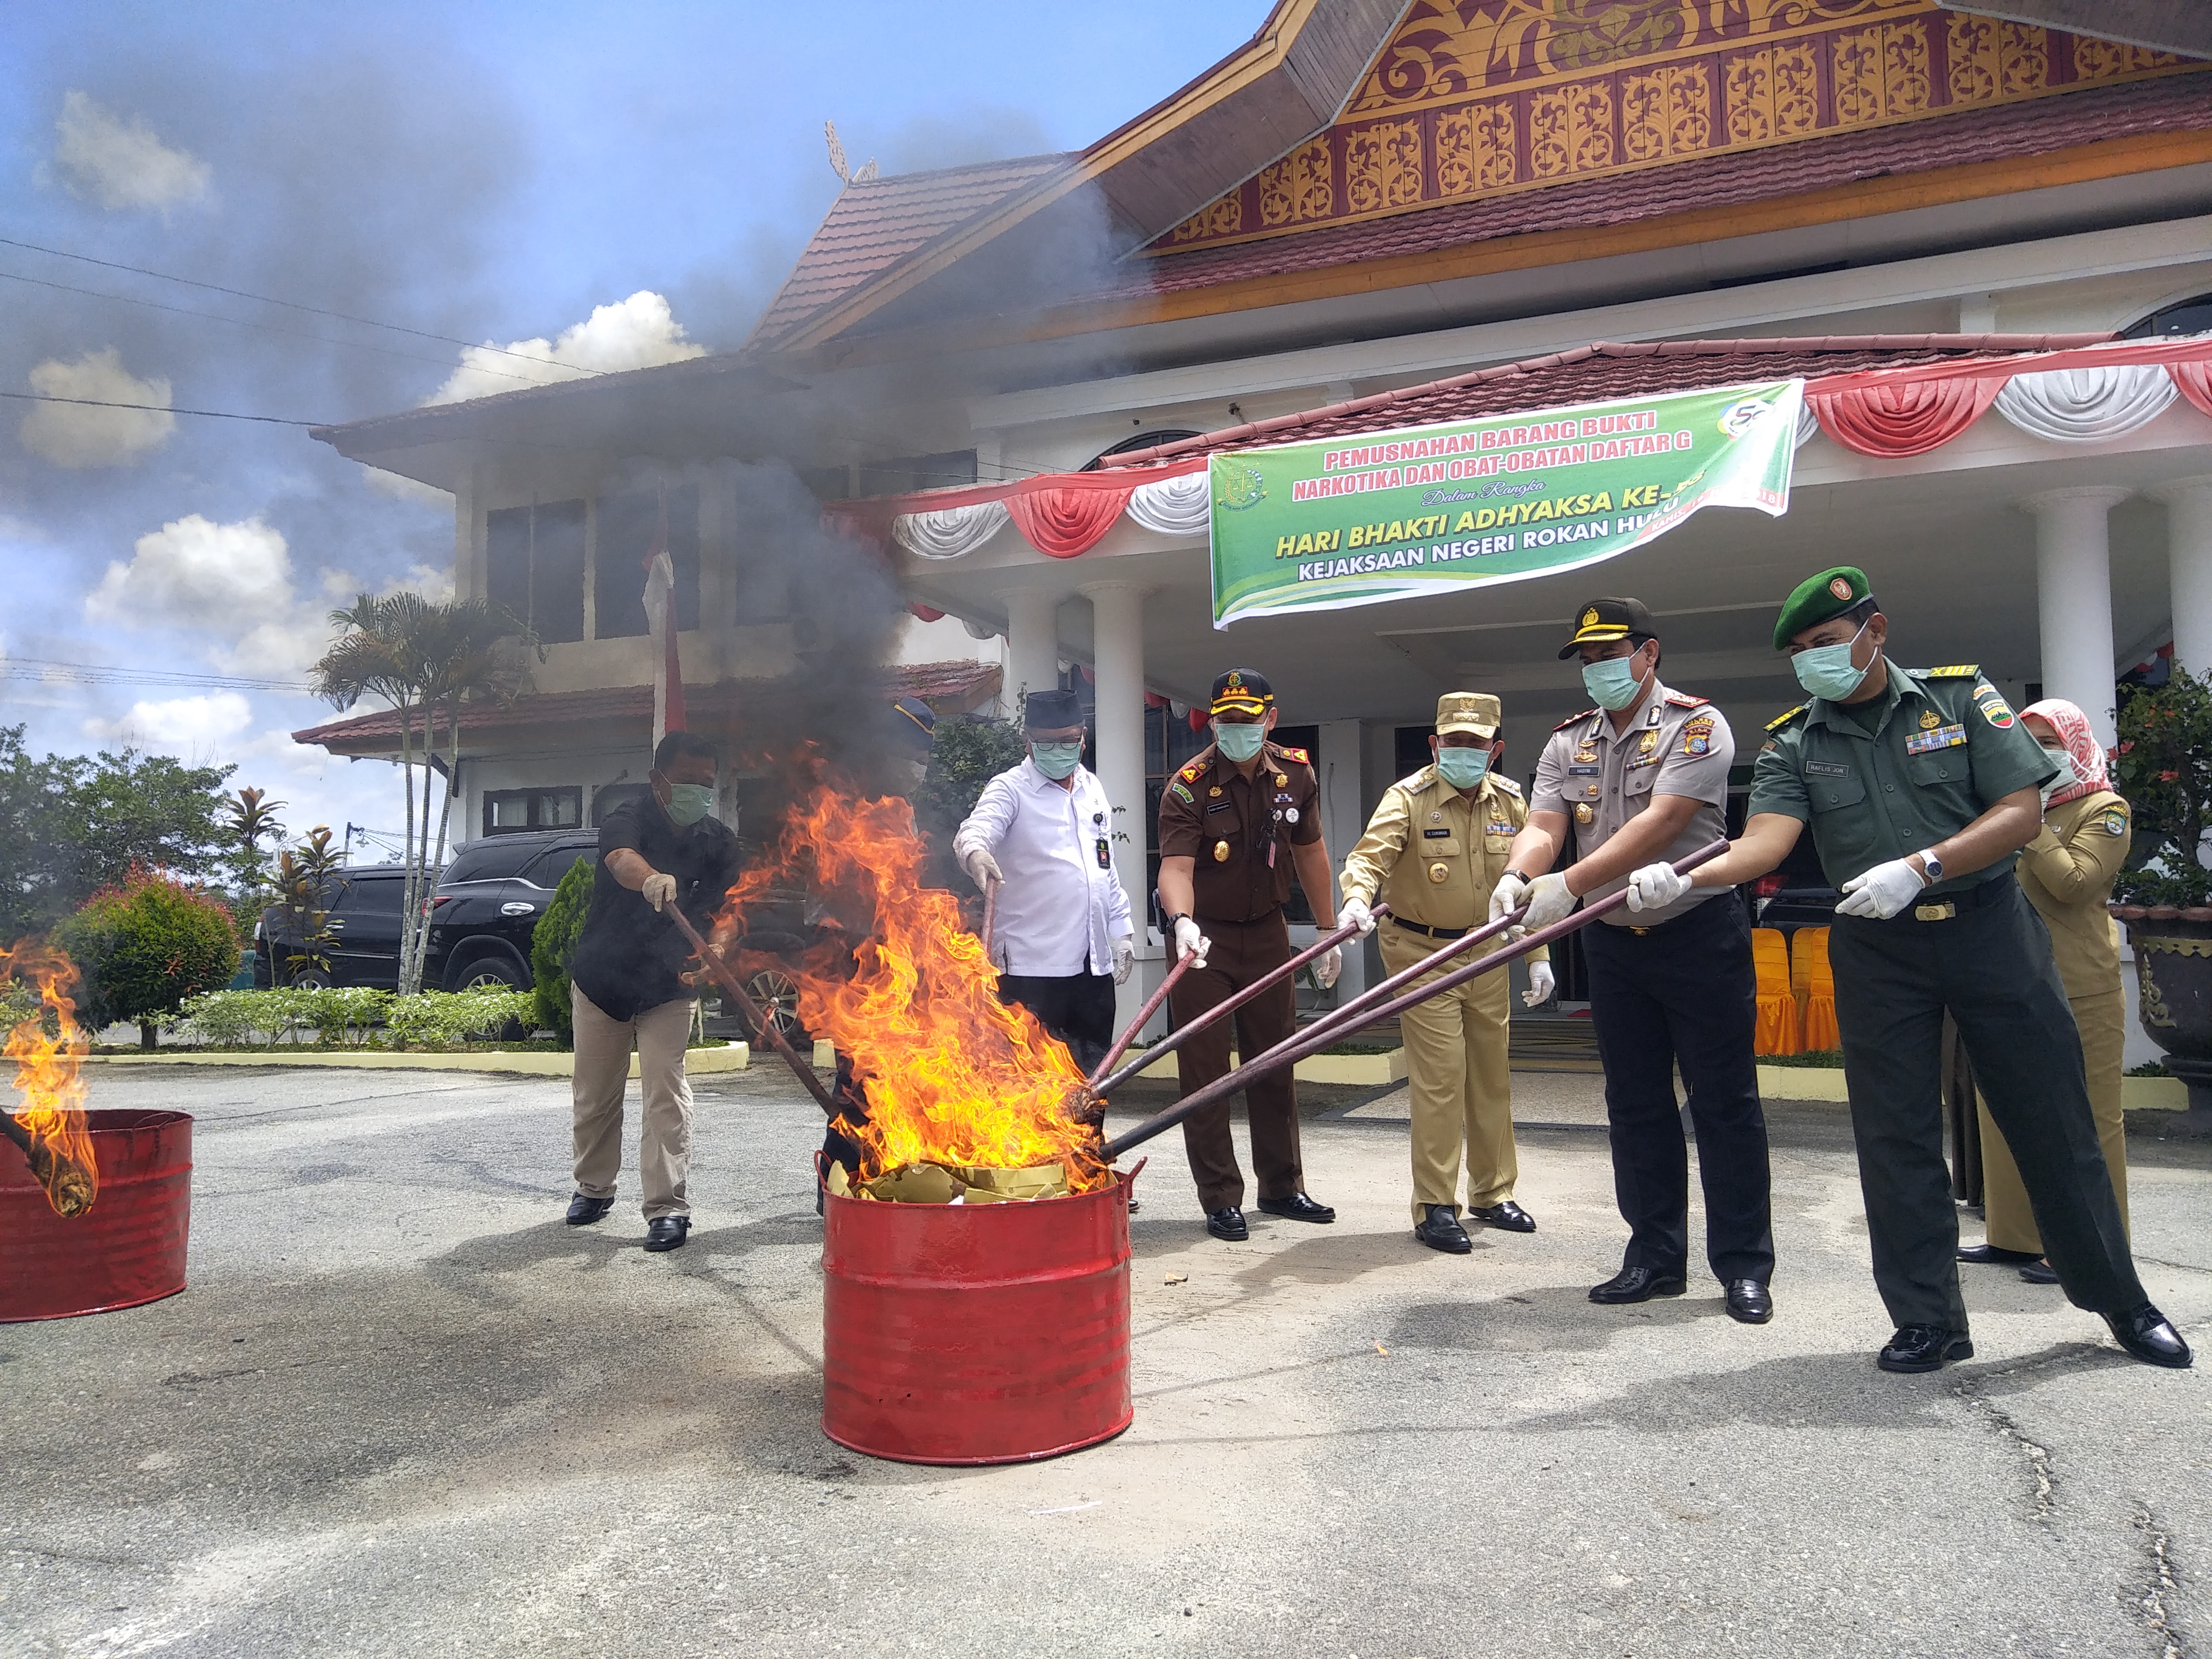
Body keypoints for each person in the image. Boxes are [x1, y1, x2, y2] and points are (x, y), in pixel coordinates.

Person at [1678, 565, 2187, 1371]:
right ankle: (1928, 1320)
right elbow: (1764, 844)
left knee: (2053, 1120)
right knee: (1896, 1138)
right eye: (1801, 652)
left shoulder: (1961, 700)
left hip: (1990, 931)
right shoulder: (1795, 741)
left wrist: (1923, 866)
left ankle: (2122, 1303)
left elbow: (2020, 813)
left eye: (1827, 642)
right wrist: (1684, 878)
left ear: (1874, 633)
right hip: (1879, 950)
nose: (1813, 661)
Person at [1493, 598, 1775, 1323]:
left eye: (1609, 654)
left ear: (1649, 654)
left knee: (1724, 1103)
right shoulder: (1567, 742)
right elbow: (1545, 824)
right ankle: (1653, 1257)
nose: (1596, 670)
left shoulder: (1699, 725)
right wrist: (1521, 876)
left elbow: (1664, 822)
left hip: (1696, 930)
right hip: (1614, 942)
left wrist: (1568, 884)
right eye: (1586, 659)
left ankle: (1743, 1265)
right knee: (1635, 1103)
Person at [1339, 692, 1553, 1253]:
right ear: (1435, 745)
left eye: (1474, 743)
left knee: (1490, 1076)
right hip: (1420, 954)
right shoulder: (1407, 798)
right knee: (1440, 1079)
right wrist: (1357, 898)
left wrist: (1536, 957)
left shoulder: (1509, 801)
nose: (1463, 750)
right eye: (1453, 741)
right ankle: (1435, 1204)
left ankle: (1492, 1192)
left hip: (1485, 954)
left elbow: (1523, 890)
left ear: (1495, 750)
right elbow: (1368, 857)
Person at [1157, 668, 1341, 1241]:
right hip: (1203, 942)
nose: (1236, 729)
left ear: (1270, 719)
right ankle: (1219, 1196)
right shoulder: (1186, 786)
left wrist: (1327, 930)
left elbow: (1310, 854)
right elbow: (1175, 869)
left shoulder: (1294, 773)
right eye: (1226, 720)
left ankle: (1282, 1187)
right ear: (1213, 722)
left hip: (1266, 934)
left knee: (1274, 1062)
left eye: (1246, 719)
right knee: (1206, 1072)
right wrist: (1182, 922)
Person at [1958, 698, 2132, 1286]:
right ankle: (2013, 1238)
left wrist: (2027, 825)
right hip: (2009, 977)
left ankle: (2096, 1246)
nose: (2038, 753)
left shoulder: (2103, 809)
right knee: (2001, 1108)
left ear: (2075, 743)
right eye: (2027, 741)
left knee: (2090, 1118)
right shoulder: (2004, 807)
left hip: (2079, 983)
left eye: (2048, 740)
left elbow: (2074, 885)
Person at [563, 730, 743, 1253]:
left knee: (667, 1093)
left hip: (670, 982)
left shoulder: (718, 840)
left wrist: (721, 943)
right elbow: (621, 858)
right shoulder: (627, 816)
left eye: (706, 784)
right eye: (687, 781)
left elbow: (734, 908)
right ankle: (593, 1190)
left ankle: (667, 1209)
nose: (698, 792)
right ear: (657, 780)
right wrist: (648, 879)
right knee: (596, 1096)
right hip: (604, 978)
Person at [952, 687, 1136, 1076]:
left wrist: (1121, 932)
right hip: (1030, 973)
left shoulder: (1092, 789)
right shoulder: (1010, 788)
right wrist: (976, 853)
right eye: (1047, 743)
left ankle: (1088, 1141)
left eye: (1069, 741)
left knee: (1090, 1083)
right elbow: (977, 829)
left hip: (1092, 971)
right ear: (1027, 742)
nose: (1060, 751)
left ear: (1083, 738)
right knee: (1029, 1086)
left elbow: (1105, 869)